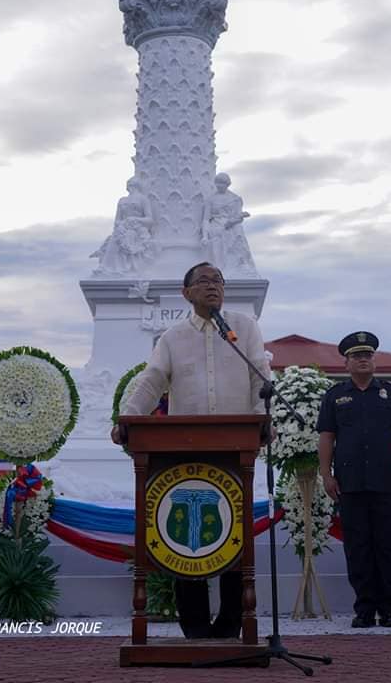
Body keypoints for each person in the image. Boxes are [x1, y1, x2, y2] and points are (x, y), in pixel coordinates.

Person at [111, 261, 270, 639]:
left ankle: (233, 623)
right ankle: (195, 626)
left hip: (236, 448)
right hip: (184, 450)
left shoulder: (243, 329)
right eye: (203, 281)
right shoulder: (172, 338)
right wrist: (127, 418)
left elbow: (259, 375)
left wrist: (264, 419)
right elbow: (151, 381)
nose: (213, 286)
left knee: (233, 531)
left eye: (218, 280)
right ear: (186, 293)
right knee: (185, 537)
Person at [317, 331, 391, 628]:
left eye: (367, 355)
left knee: (387, 545)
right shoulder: (335, 396)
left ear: (374, 360)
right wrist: (326, 475)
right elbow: (327, 437)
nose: (363, 359)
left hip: (387, 481)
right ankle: (364, 608)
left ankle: (389, 608)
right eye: (357, 356)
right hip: (350, 483)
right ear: (346, 363)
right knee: (357, 546)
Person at [90, 176, 156, 275]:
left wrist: (136, 219)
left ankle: (113, 268)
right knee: (116, 237)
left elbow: (150, 220)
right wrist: (121, 225)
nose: (130, 187)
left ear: (137, 186)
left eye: (133, 185)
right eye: (129, 185)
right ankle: (106, 268)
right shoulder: (122, 200)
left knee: (127, 236)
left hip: (137, 229)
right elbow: (117, 220)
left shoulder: (143, 199)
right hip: (123, 228)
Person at [201, 173, 256, 277]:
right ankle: (219, 268)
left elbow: (238, 217)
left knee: (237, 230)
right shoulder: (210, 199)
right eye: (217, 183)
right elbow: (206, 219)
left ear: (227, 184)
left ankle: (241, 263)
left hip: (231, 224)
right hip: (216, 224)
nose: (219, 186)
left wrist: (233, 221)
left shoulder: (235, 199)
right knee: (217, 235)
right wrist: (204, 236)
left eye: (221, 183)